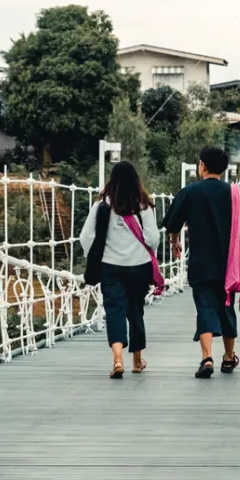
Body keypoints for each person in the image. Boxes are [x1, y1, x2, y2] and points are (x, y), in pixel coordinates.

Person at [163, 147, 240, 379]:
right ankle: (228, 357)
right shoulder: (235, 193)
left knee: (205, 308)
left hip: (200, 262)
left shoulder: (190, 192)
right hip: (229, 265)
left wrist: (174, 241)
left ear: (202, 165)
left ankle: (207, 358)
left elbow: (173, 223)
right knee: (227, 307)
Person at [79, 161, 160, 379]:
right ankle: (136, 360)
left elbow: (85, 237)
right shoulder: (143, 206)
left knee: (114, 311)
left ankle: (117, 360)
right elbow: (152, 238)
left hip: (110, 267)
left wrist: (96, 256)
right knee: (135, 311)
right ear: (136, 180)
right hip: (139, 266)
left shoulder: (102, 206)